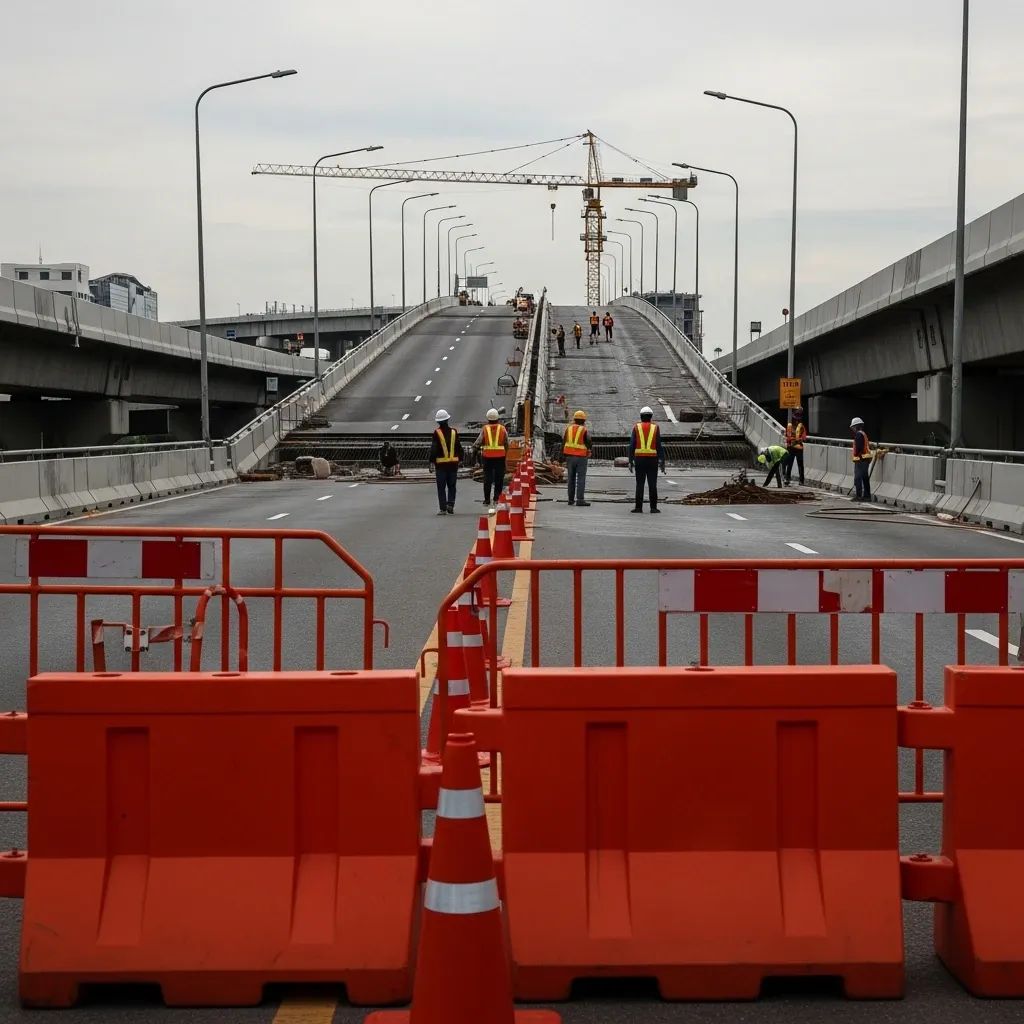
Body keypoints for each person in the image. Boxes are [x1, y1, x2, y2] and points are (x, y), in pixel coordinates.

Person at [629, 406, 666, 513]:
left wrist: (630, 461)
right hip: (652, 460)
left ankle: (638, 507)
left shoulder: (636, 427)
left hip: (639, 460)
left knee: (640, 484)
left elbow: (632, 445)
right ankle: (653, 508)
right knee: (652, 484)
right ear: (651, 416)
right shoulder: (655, 427)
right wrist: (662, 461)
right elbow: (659, 445)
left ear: (641, 416)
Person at [472, 408, 507, 514]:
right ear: (498, 418)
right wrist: (505, 454)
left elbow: (478, 442)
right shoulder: (502, 429)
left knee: (487, 478)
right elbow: (506, 443)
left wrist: (474, 453)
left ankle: (487, 500)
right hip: (500, 457)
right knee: (499, 478)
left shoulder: (485, 429)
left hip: (487, 457)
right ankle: (496, 498)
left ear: (488, 419)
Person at [428, 409, 463, 515]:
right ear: (447, 419)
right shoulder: (454, 432)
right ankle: (450, 504)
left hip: (441, 465)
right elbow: (459, 447)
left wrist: (431, 462)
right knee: (452, 486)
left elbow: (434, 448)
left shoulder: (437, 433)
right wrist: (461, 459)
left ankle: (443, 509)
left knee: (441, 487)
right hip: (453, 464)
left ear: (438, 422)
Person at [562, 409, 592, 507]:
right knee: (581, 478)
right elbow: (588, 442)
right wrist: (589, 450)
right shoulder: (584, 430)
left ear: (574, 419)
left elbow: (564, 442)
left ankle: (570, 500)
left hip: (569, 457)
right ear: (584, 421)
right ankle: (580, 500)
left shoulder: (568, 429)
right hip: (581, 457)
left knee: (571, 478)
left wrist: (562, 456)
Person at [850, 416, 872, 502]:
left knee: (858, 478)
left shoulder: (858, 435)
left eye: (853, 427)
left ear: (856, 426)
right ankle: (867, 496)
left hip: (861, 459)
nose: (852, 429)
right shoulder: (863, 433)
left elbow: (859, 447)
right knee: (865, 478)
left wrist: (856, 456)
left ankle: (859, 496)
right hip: (865, 459)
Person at [783, 407, 807, 485]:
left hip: (797, 447)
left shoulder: (801, 427)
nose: (797, 420)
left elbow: (804, 438)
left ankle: (800, 480)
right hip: (792, 447)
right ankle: (788, 479)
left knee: (799, 464)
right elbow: (788, 437)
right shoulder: (790, 426)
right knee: (791, 464)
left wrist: (797, 439)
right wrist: (797, 439)